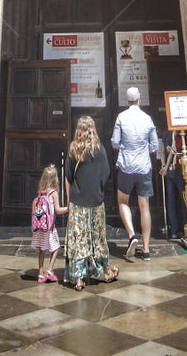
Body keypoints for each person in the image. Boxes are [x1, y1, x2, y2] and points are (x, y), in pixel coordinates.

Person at [63, 116, 118, 291]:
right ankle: (103, 270)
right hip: (95, 201)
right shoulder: (100, 150)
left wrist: (69, 199)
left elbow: (68, 177)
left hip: (78, 202)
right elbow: (106, 175)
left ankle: (78, 278)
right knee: (98, 238)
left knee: (79, 238)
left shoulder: (73, 150)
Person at [111, 86, 159, 261]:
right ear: (139, 99)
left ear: (127, 101)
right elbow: (154, 146)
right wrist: (145, 150)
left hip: (126, 166)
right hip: (144, 167)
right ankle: (146, 250)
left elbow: (115, 142)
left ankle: (132, 235)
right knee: (144, 205)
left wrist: (124, 147)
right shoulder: (147, 119)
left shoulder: (121, 118)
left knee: (123, 201)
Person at [30, 164, 67, 283]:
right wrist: (69, 208)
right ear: (55, 178)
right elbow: (58, 210)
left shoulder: (40, 193)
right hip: (50, 228)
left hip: (40, 227)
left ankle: (40, 273)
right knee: (55, 248)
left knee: (42, 249)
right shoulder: (53, 193)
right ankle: (50, 270)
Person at [160, 128, 187, 241]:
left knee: (171, 200)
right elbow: (172, 152)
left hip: (169, 171)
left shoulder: (165, 134)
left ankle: (174, 231)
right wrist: (166, 167)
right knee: (183, 199)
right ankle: (185, 226)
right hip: (176, 169)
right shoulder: (177, 133)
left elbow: (162, 151)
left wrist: (163, 166)